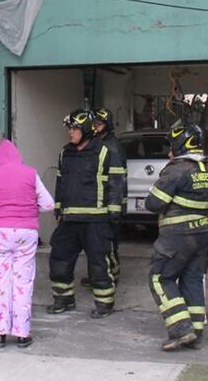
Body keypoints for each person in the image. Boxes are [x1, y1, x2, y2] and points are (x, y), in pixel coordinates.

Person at [146, 122, 208, 351]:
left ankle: (180, 329)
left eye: (171, 146)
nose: (169, 151)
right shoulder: (207, 169)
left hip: (177, 236)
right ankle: (195, 331)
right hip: (202, 235)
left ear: (180, 144)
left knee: (160, 278)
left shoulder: (176, 169)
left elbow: (152, 203)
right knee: (192, 279)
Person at [0, 139, 55, 348]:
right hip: (26, 233)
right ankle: (22, 334)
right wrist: (28, 208)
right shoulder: (30, 173)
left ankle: (0, 333)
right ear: (18, 157)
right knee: (23, 283)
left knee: (1, 282)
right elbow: (48, 204)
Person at [47, 109, 125, 318]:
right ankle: (63, 299)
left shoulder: (105, 151)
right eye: (69, 128)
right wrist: (58, 208)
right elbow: (61, 182)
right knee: (59, 258)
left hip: (96, 219)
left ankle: (104, 304)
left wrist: (114, 215)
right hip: (70, 219)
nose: (70, 133)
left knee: (99, 263)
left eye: (74, 129)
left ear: (86, 129)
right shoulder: (65, 152)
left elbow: (117, 184)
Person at [93, 107, 127, 284]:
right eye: (95, 123)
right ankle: (104, 274)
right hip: (105, 201)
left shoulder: (111, 146)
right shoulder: (100, 142)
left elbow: (115, 180)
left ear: (107, 125)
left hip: (110, 203)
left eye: (99, 123)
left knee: (109, 242)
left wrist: (114, 210)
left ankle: (112, 275)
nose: (96, 126)